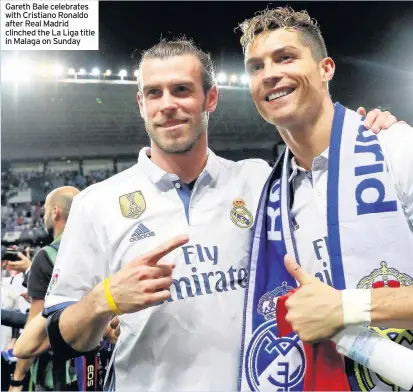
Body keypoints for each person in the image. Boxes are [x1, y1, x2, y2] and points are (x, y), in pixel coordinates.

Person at [42, 38, 400, 391]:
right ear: (141, 103)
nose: (167, 105)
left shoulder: (262, 181)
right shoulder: (96, 204)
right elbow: (62, 337)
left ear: (210, 98)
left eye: (182, 89)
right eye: (154, 93)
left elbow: (323, 171)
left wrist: (369, 132)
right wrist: (103, 300)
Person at [237, 7, 413, 391]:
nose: (269, 73)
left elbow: (335, 309)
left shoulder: (397, 150)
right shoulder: (272, 195)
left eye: (286, 57)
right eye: (255, 67)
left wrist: (348, 308)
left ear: (326, 69)